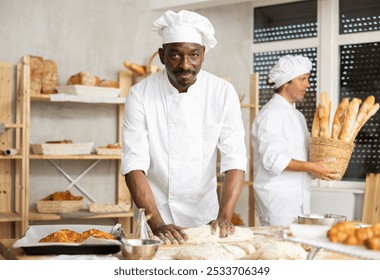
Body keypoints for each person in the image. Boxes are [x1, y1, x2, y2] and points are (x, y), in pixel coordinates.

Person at [121, 10, 247, 244]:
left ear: (203, 55)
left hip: (208, 219)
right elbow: (133, 165)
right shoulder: (141, 95)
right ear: (161, 55)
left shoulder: (221, 92)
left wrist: (225, 216)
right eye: (175, 55)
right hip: (156, 215)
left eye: (194, 55)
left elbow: (235, 160)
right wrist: (157, 223)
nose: (185, 65)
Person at [251, 55, 339, 226]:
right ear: (286, 83)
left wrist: (319, 165)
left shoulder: (297, 116)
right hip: (278, 203)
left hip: (300, 198)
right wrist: (313, 167)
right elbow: (273, 159)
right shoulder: (271, 114)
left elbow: (303, 154)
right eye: (302, 79)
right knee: (281, 251)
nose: (307, 85)